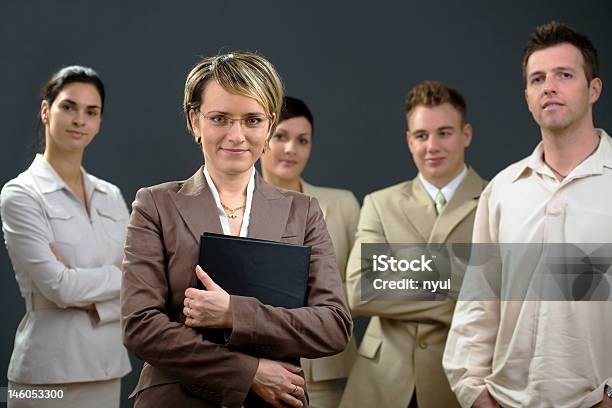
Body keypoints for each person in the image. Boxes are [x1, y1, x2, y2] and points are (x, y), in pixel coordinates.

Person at [121, 52, 353, 408]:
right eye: (219, 118)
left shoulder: (302, 211)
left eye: (252, 120)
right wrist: (248, 371)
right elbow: (141, 327)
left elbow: (333, 325)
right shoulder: (156, 205)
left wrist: (234, 313)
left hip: (278, 400)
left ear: (270, 125)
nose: (236, 135)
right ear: (195, 121)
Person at [443, 21, 612, 408]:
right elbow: (478, 301)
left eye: (564, 75)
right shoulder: (503, 190)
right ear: (527, 96)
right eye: (538, 79)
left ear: (594, 89)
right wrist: (474, 392)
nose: (549, 86)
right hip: (507, 400)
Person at [341, 80, 487, 408]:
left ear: (466, 134)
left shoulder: (498, 199)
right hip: (382, 382)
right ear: (409, 141)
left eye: (444, 133)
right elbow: (360, 288)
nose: (431, 146)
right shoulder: (380, 203)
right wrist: (460, 286)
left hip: (462, 381)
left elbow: (502, 292)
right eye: (421, 136)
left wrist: (399, 272)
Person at [1, 66, 131, 407]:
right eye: (68, 107)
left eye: (92, 112)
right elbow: (58, 286)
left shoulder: (111, 195)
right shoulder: (21, 194)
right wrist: (119, 276)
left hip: (106, 367)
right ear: (46, 111)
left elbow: (142, 281)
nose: (79, 120)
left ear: (100, 122)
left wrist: (81, 284)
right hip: (47, 372)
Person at [260, 96, 360, 408]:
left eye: (302, 140)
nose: (291, 149)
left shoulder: (342, 204)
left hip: (325, 371)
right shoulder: (236, 208)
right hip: (257, 368)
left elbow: (363, 285)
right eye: (281, 137)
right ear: (261, 138)